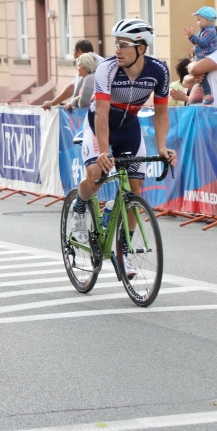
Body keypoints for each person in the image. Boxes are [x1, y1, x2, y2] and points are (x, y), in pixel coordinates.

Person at [67, 19, 177, 266]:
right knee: (96, 173)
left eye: (124, 44)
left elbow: (161, 112)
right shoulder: (107, 68)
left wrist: (162, 146)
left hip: (129, 128)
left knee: (135, 189)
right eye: (116, 43)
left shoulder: (158, 71)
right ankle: (80, 205)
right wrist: (105, 151)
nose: (117, 49)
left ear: (141, 48)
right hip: (99, 125)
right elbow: (102, 112)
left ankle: (123, 250)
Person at [40, 40, 98, 108]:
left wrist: (75, 100)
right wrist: (74, 100)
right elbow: (72, 89)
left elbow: (83, 102)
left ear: (79, 51)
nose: (73, 55)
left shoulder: (92, 73)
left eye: (74, 51)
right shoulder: (82, 77)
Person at [182, 6, 217, 105]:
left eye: (199, 20)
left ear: (207, 20)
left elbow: (202, 42)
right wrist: (191, 37)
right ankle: (205, 95)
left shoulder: (211, 31)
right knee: (199, 76)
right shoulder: (203, 31)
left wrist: (192, 36)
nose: (197, 22)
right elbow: (197, 42)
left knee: (202, 77)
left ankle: (208, 95)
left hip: (206, 57)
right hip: (200, 57)